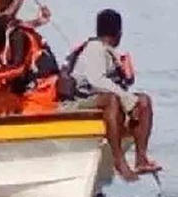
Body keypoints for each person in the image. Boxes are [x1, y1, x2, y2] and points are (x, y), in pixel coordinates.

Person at [65, 9, 161, 181]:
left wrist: (131, 100)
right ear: (119, 33)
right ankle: (118, 160)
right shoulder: (94, 49)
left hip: (101, 98)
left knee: (144, 101)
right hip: (80, 100)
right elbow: (97, 81)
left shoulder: (109, 52)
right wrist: (127, 99)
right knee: (113, 100)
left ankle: (141, 158)